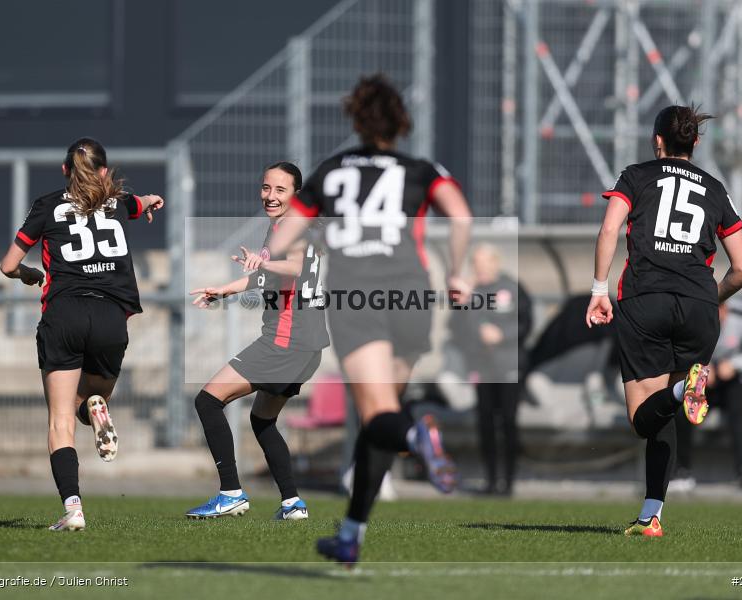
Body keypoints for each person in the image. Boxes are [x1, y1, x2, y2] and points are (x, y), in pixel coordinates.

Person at [263, 74, 473, 563]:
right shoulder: (421, 168)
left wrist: (321, 240)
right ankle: (352, 534)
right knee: (383, 414)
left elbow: (280, 241)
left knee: (379, 416)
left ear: (356, 119)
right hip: (412, 293)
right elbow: (460, 217)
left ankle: (419, 437)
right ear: (401, 121)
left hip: (357, 295)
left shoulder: (331, 170)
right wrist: (458, 272)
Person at [586, 104, 742, 537]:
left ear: (657, 141)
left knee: (644, 417)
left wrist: (598, 290)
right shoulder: (717, 189)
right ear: (695, 142)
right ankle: (651, 515)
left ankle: (683, 387)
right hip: (699, 306)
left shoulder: (636, 176)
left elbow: (608, 230)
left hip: (646, 300)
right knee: (667, 415)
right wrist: (707, 299)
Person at [0, 137, 164, 531]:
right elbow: (138, 203)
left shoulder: (46, 205)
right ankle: (96, 402)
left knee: (60, 421)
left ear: (64, 172)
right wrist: (153, 200)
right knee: (92, 395)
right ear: (105, 172)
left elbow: (7, 265)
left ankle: (73, 509)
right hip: (111, 317)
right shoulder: (121, 203)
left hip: (64, 313)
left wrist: (27, 275)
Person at [184, 162, 329, 521]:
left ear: (295, 195)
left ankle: (230, 493)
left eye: (280, 190)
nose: (270, 196)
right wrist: (225, 290)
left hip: (286, 340)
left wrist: (260, 264)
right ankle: (292, 503)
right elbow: (266, 278)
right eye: (266, 188)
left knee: (207, 401)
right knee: (263, 420)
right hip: (305, 344)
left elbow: (295, 268)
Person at [449, 244, 532, 496]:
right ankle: (490, 480)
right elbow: (458, 329)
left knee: (507, 421)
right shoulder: (470, 294)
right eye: (476, 264)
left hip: (509, 366)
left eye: (484, 264)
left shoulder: (512, 288)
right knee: (485, 422)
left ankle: (507, 482)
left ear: (495, 263)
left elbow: (526, 324)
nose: (480, 269)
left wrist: (503, 335)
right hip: (482, 368)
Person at [673, 299, 742, 490]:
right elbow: (683, 352)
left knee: (736, 410)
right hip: (706, 376)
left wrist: (734, 365)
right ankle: (681, 472)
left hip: (737, 377)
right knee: (684, 411)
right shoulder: (692, 319)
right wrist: (703, 368)